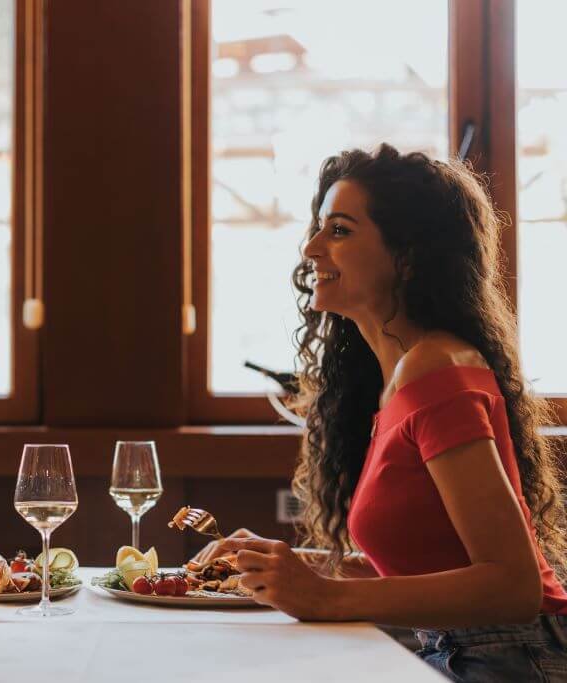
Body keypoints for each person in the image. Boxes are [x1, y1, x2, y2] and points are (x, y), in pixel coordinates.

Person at [194, 144, 567, 681]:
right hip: (470, 650)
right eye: (319, 227)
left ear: (408, 255)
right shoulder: (402, 377)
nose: (311, 247)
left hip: (510, 658)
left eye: (339, 231)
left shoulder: (435, 368)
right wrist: (297, 569)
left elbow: (513, 587)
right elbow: (435, 569)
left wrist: (323, 597)